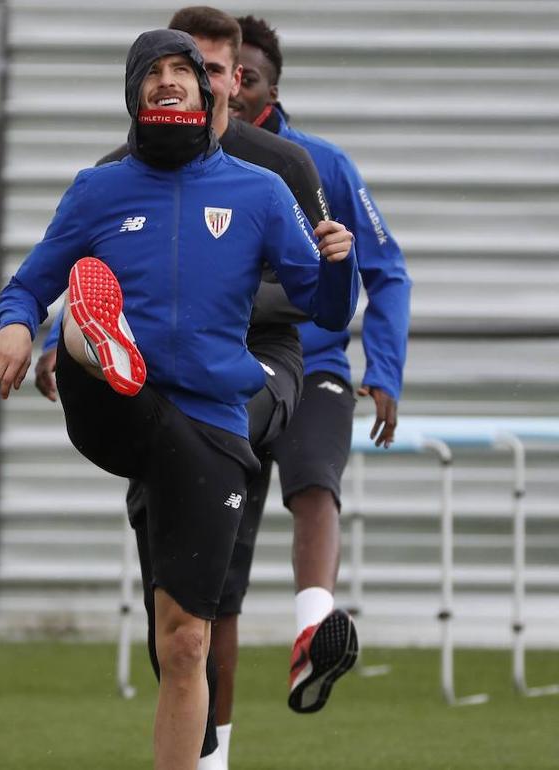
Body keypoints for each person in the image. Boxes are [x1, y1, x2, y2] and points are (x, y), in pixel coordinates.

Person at [0, 28, 357, 770]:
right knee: (102, 355)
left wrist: (339, 262)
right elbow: (27, 285)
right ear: (133, 96)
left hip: (210, 427)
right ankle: (95, 337)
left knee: (185, 639)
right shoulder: (99, 189)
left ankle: (97, 337)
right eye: (151, 73)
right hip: (117, 410)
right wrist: (19, 329)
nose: (168, 81)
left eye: (182, 71)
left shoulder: (260, 191)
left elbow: (324, 308)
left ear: (213, 90)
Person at [203, 11, 411, 729]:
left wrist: (383, 367)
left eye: (241, 76)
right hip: (226, 377)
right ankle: (212, 748)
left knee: (316, 476)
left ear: (259, 83)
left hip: (315, 363)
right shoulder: (178, 170)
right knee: (217, 586)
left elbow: (387, 270)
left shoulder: (319, 165)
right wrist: (56, 340)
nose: (227, 88)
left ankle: (312, 627)